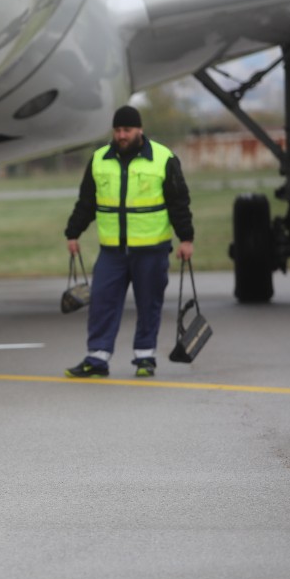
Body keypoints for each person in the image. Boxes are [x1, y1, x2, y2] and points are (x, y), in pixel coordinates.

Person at [63, 104, 194, 378]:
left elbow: (178, 202)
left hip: (152, 249)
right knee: (101, 303)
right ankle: (97, 358)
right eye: (118, 130)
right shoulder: (99, 159)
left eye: (127, 130)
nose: (122, 135)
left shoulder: (163, 158)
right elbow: (86, 202)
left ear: (139, 130)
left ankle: (145, 358)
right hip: (112, 252)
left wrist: (186, 238)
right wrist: (73, 233)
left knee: (149, 304)